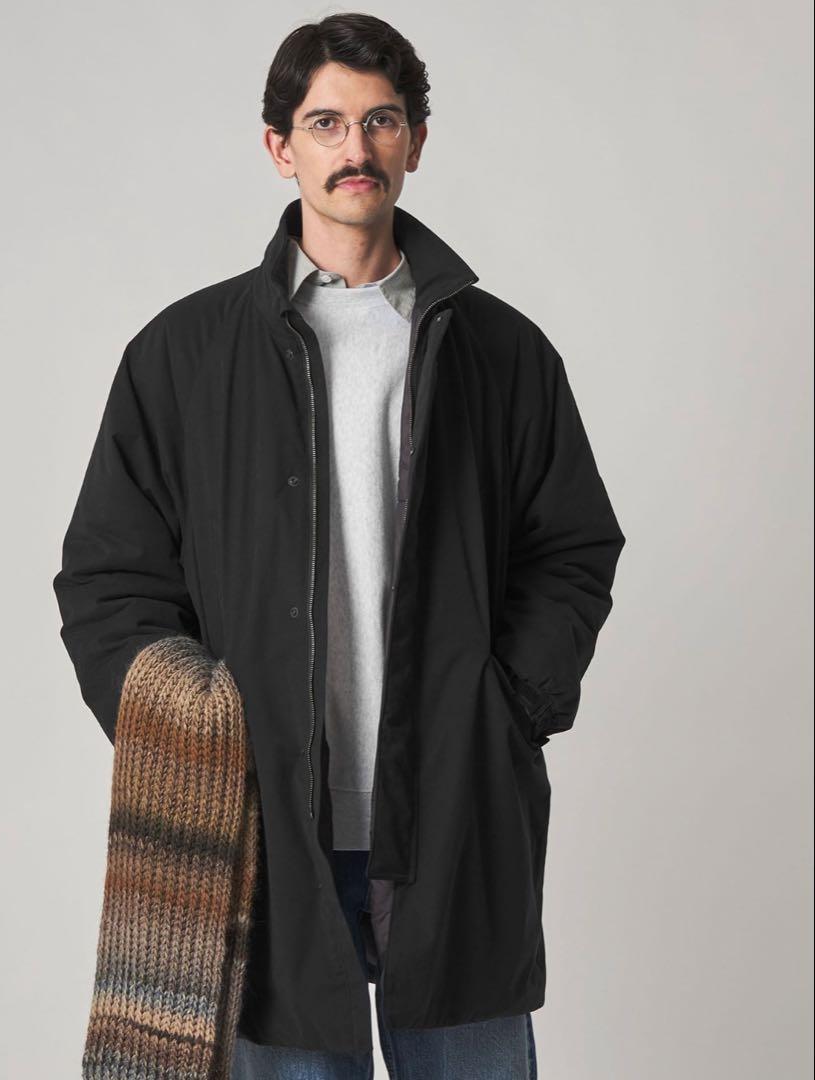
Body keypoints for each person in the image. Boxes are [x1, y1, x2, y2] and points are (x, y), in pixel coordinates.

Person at [54, 12, 625, 1079]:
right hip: (260, 820)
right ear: (280, 146)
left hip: (453, 807)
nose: (355, 148)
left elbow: (571, 545)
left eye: (380, 121)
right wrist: (188, 726)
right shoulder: (184, 355)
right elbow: (107, 578)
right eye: (326, 123)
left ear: (416, 141)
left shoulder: (502, 353)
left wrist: (507, 707)